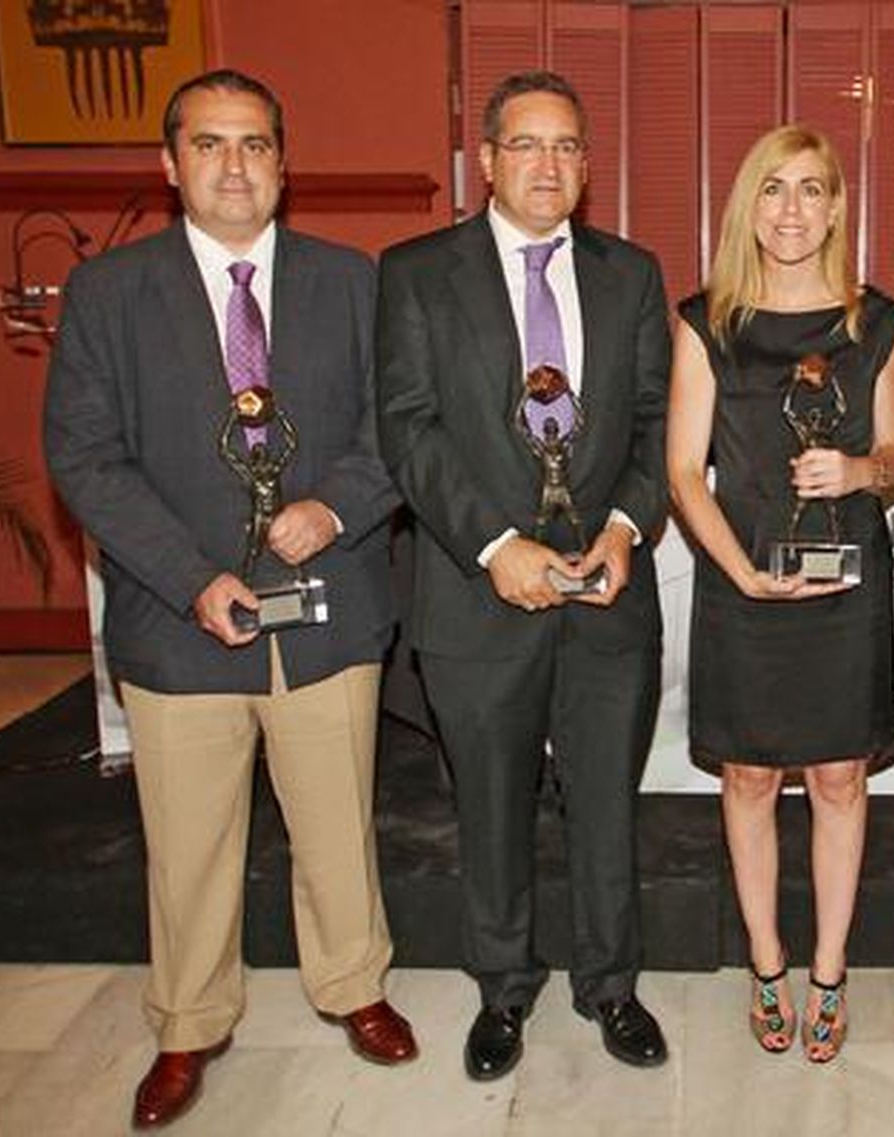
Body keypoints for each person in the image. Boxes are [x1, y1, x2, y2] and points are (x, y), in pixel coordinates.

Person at [43, 69, 415, 1130]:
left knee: (338, 823)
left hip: (325, 610)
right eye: (209, 144)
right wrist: (186, 574)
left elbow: (395, 428)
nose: (235, 165)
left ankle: (354, 985)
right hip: (179, 622)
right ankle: (189, 1022)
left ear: (284, 164)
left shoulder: (354, 283)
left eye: (254, 144)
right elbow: (85, 455)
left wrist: (335, 510)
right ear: (170, 166)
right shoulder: (111, 295)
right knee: (191, 839)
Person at [375, 71, 671, 1079]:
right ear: (488, 160)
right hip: (474, 594)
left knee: (604, 805)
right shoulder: (417, 272)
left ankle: (612, 986)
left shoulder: (631, 275)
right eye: (528, 146)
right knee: (490, 806)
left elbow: (653, 426)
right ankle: (503, 990)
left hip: (605, 592)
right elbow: (408, 431)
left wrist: (629, 526)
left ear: (586, 167)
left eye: (568, 148)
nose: (549, 165)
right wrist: (497, 548)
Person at [666, 125, 894, 1064]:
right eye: (774, 189)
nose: (793, 209)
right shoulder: (705, 322)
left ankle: (831, 968)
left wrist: (859, 470)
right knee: (752, 775)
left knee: (842, 777)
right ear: (747, 206)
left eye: (812, 189)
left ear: (838, 206)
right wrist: (738, 572)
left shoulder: (877, 321)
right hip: (742, 580)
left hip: (848, 583)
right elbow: (685, 472)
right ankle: (767, 962)